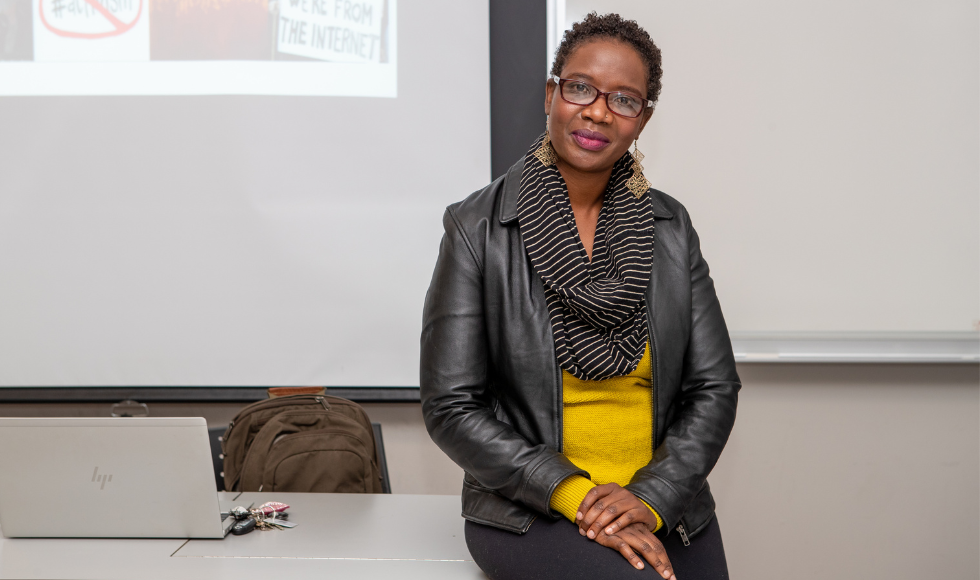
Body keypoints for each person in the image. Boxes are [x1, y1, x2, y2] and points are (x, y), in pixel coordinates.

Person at [421, 12, 739, 580]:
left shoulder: (670, 227)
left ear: (642, 119)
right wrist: (573, 494)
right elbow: (452, 406)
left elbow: (714, 387)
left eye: (624, 99)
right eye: (581, 88)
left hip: (663, 503)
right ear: (552, 95)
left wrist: (651, 497)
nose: (597, 110)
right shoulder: (476, 229)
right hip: (532, 508)